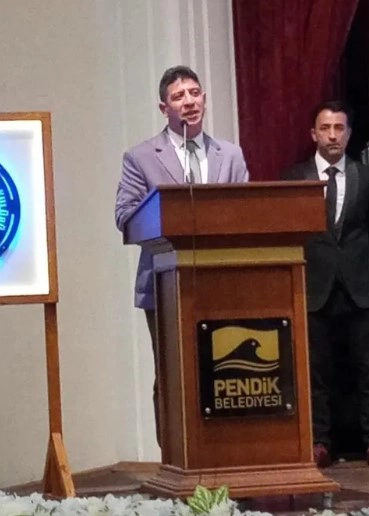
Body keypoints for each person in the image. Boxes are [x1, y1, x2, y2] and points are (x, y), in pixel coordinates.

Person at [115, 65, 249, 443]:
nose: (189, 102)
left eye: (194, 93)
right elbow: (125, 217)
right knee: (173, 374)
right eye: (178, 96)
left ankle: (224, 454)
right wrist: (170, 214)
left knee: (224, 372)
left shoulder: (230, 154)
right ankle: (173, 457)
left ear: (204, 99)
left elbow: (246, 210)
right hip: (164, 283)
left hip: (222, 282)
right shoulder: (141, 157)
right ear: (164, 108)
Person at [281, 100, 369, 467]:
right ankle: (319, 441)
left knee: (366, 368)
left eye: (339, 128)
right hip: (312, 286)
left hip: (360, 288)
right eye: (325, 128)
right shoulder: (293, 178)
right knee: (315, 371)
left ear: (348, 134)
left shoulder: (364, 175)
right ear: (313, 134)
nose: (333, 135)